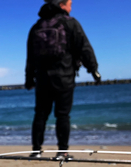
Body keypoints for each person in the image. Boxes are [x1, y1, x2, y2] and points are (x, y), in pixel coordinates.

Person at [25, 0, 100, 159]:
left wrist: (29, 79)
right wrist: (93, 69)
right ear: (62, 5)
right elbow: (84, 47)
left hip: (42, 79)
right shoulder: (70, 23)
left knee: (40, 115)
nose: (71, 8)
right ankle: (62, 151)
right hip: (64, 77)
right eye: (70, 4)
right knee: (63, 115)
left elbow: (30, 57)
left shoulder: (36, 27)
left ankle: (36, 150)